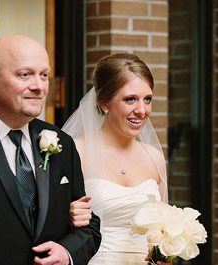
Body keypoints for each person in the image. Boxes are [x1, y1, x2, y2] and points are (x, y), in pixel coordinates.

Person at [0, 34, 101, 265]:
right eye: (25, 75)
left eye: (44, 75)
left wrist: (68, 252)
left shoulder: (62, 143)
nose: (38, 86)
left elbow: (88, 225)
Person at [62, 53, 170, 265]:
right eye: (130, 99)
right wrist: (66, 216)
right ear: (104, 103)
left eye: (147, 99)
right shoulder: (75, 151)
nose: (141, 110)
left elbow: (163, 229)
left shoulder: (154, 157)